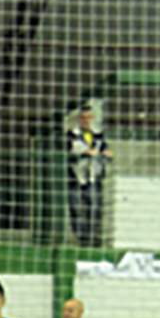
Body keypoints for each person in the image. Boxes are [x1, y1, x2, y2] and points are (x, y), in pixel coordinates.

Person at [67, 105, 114, 248]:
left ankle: (93, 238)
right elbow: (69, 152)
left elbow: (104, 149)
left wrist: (107, 153)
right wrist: (84, 152)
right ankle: (80, 238)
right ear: (78, 119)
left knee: (94, 208)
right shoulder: (70, 135)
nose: (86, 121)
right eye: (83, 118)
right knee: (77, 208)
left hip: (93, 176)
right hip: (76, 177)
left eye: (89, 117)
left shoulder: (98, 136)